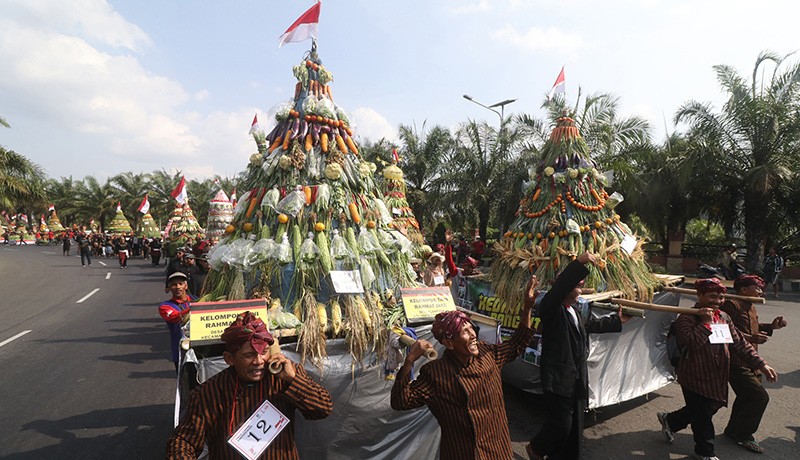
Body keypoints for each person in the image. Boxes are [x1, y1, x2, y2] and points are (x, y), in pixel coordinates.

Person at [391, 276, 537, 459]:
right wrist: (410, 360)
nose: (473, 335)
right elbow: (400, 402)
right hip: (462, 452)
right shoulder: (436, 374)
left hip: (498, 450)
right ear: (449, 343)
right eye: (465, 332)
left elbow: (517, 344)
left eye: (472, 329)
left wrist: (527, 308)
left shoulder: (487, 353)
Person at [166, 311, 333, 459]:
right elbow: (183, 441)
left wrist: (293, 379)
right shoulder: (208, 393)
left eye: (264, 352)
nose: (259, 361)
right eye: (249, 355)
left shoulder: (283, 379)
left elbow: (323, 408)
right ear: (229, 359)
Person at [656, 278, 778, 460]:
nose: (717, 301)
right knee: (703, 415)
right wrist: (705, 323)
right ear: (700, 296)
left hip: (717, 375)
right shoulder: (687, 318)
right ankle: (705, 452)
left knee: (706, 408)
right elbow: (691, 343)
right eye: (712, 296)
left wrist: (761, 364)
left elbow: (739, 343)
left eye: (721, 297)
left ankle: (671, 420)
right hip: (693, 376)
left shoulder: (723, 317)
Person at [527, 252, 630, 460]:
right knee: (561, 425)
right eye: (576, 284)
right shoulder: (550, 309)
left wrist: (617, 320)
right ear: (563, 287)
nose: (580, 286)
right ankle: (536, 448)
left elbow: (590, 325)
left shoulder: (573, 310)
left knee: (574, 428)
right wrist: (579, 263)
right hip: (558, 377)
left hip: (576, 378)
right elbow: (558, 290)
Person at [718, 275, 787, 453]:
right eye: (757, 287)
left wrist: (771, 326)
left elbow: (752, 328)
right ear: (743, 289)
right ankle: (744, 434)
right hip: (735, 361)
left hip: (751, 360)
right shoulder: (731, 305)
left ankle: (733, 431)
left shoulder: (751, 305)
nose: (761, 291)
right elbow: (723, 330)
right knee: (759, 397)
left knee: (746, 397)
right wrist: (750, 338)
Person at [158, 272, 197, 373]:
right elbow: (175, 317)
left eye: (180, 283)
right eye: (174, 284)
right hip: (182, 352)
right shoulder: (165, 306)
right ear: (170, 288)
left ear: (186, 285)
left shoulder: (196, 300)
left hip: (200, 348)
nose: (178, 287)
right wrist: (194, 308)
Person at [444, 230, 480, 308]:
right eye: (464, 265)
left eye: (468, 266)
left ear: (472, 268)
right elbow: (449, 260)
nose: (465, 267)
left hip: (469, 308)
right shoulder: (456, 273)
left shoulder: (475, 278)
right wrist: (448, 245)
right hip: (455, 305)